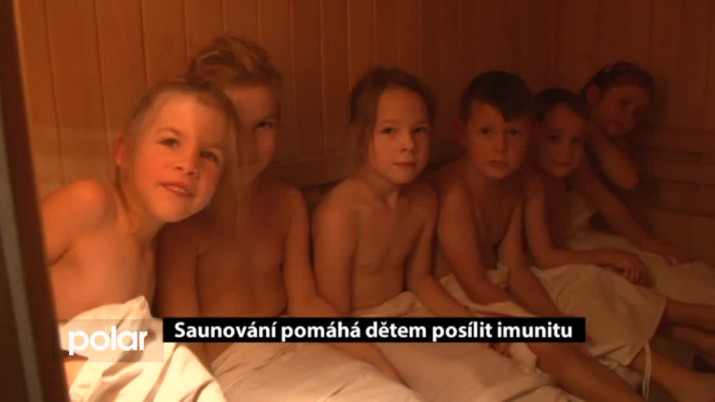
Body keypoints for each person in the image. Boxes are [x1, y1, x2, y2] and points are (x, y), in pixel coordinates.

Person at [313, 67, 636, 401]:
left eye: (419, 130)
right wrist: (377, 360)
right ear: (360, 135)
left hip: (411, 309)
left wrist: (468, 323)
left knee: (522, 352)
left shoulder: (423, 199)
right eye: (390, 131)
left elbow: (421, 279)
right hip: (367, 326)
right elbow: (334, 315)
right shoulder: (339, 214)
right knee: (482, 380)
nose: (408, 145)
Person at [155, 36, 418, 401]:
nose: (248, 145)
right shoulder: (182, 226)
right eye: (233, 125)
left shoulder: (286, 203)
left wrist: (375, 357)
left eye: (264, 125)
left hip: (300, 349)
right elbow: (186, 342)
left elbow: (306, 304)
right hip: (231, 370)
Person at [429, 71, 644, 401]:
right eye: (487, 132)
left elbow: (516, 267)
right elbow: (472, 282)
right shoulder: (455, 191)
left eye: (513, 133)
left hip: (490, 288)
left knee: (570, 336)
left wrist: (554, 319)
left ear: (528, 136)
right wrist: (537, 324)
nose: (501, 147)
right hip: (452, 297)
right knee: (548, 343)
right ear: (462, 133)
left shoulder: (513, 185)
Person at [44, 79, 236, 400]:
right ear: (124, 153)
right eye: (170, 142)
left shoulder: (152, 251)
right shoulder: (90, 203)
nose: (189, 164)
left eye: (208, 155)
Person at [524, 88, 715, 401]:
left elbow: (610, 201)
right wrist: (608, 256)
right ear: (533, 133)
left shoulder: (564, 168)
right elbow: (542, 256)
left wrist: (649, 244)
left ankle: (697, 336)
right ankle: (697, 326)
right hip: (538, 268)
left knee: (607, 281)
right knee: (591, 283)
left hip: (554, 262)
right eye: (555, 138)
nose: (566, 151)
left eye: (577, 141)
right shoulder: (529, 180)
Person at [580, 61, 653, 190]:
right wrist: (588, 128)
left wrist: (593, 133)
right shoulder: (571, 131)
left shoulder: (616, 140)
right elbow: (589, 188)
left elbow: (629, 180)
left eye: (637, 113)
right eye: (623, 103)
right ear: (594, 95)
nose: (629, 117)